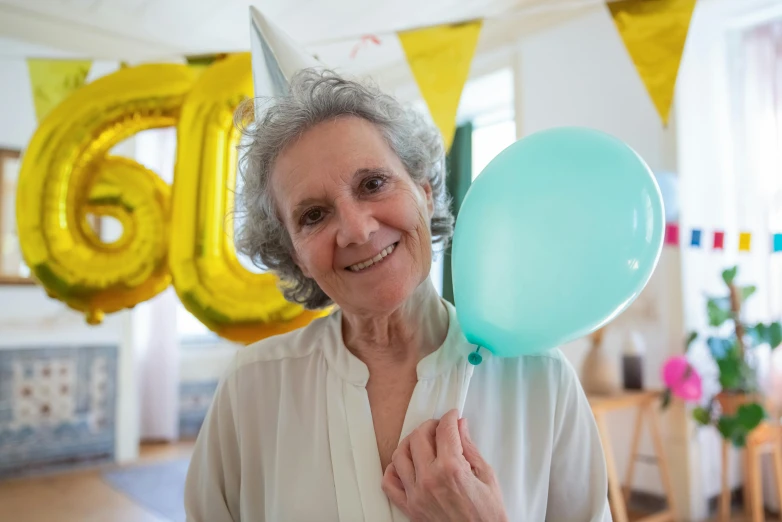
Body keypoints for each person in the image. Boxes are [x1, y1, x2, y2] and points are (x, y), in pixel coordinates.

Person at [184, 68, 612, 522]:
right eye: (313, 215)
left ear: (425, 193)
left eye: (372, 184)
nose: (356, 229)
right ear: (296, 256)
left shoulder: (539, 378)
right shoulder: (253, 387)